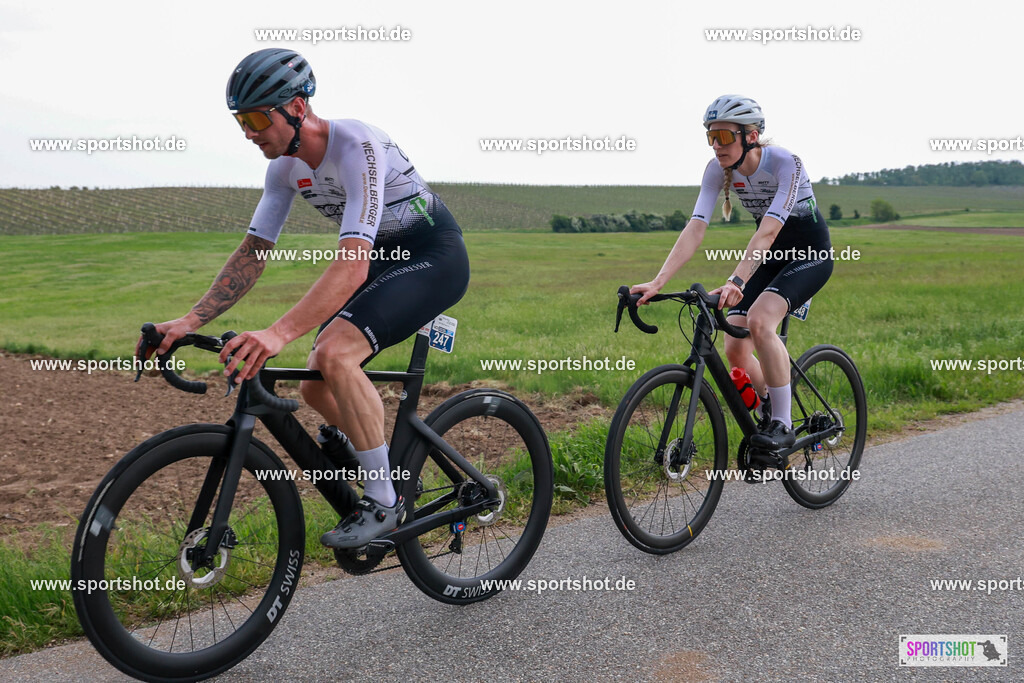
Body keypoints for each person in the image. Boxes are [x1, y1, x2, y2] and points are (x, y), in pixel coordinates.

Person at [148, 48, 470, 548]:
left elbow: (352, 264)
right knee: (317, 386)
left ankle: (385, 502)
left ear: (297, 108)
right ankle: (380, 458)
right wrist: (190, 320)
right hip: (384, 257)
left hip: (432, 254)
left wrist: (276, 334)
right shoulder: (283, 169)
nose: (250, 133)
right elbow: (253, 253)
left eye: (257, 118)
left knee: (336, 354)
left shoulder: (356, 145)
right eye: (241, 122)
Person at [631, 94, 833, 450]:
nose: (716, 145)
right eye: (711, 137)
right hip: (769, 257)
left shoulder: (787, 163)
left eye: (724, 136)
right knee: (735, 348)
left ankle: (783, 426)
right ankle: (772, 405)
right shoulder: (716, 170)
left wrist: (737, 280)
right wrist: (658, 281)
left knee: (760, 321)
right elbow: (696, 227)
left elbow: (768, 230)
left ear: (751, 135)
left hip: (808, 254)